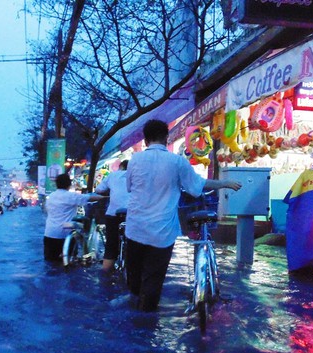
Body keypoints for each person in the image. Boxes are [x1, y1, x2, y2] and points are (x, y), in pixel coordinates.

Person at [125, 119, 242, 312]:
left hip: (135, 229)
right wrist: (224, 183)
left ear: (145, 140)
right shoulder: (177, 162)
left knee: (135, 281)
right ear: (166, 138)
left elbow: (130, 188)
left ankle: (133, 314)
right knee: (153, 281)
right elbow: (197, 185)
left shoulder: (135, 160)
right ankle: (146, 323)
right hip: (161, 233)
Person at [43, 173, 105, 262]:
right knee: (70, 262)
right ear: (69, 184)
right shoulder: (71, 196)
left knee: (50, 262)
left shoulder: (51, 197)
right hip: (65, 234)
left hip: (49, 233)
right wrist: (104, 197)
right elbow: (89, 198)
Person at [95, 159, 130, 272]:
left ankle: (106, 270)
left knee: (111, 243)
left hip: (113, 214)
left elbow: (99, 189)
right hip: (132, 214)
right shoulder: (137, 176)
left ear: (120, 167)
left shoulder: (112, 175)